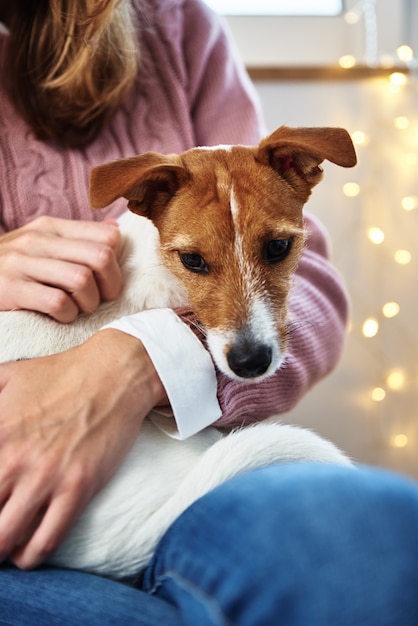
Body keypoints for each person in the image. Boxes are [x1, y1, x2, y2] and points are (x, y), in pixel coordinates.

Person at [0, 1, 417, 625]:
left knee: (377, 536)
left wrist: (144, 362)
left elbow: (318, 290)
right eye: (195, 263)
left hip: (180, 484)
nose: (246, 322)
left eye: (276, 250)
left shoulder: (175, 22)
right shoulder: (152, 208)